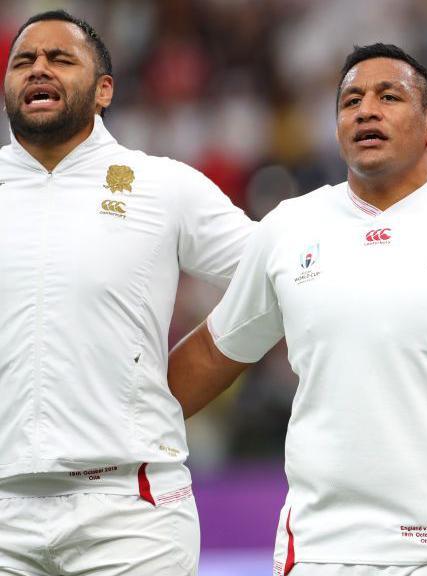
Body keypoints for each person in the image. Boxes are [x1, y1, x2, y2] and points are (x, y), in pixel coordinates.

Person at [167, 43, 427, 576]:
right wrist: (120, 435)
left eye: (388, 96)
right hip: (318, 553)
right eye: (350, 102)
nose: (365, 110)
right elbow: (213, 353)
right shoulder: (288, 229)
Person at [0, 10, 253, 576]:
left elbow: (279, 279)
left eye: (61, 59)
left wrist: (204, 362)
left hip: (131, 515)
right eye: (24, 61)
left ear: (103, 91)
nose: (39, 68)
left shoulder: (164, 186)